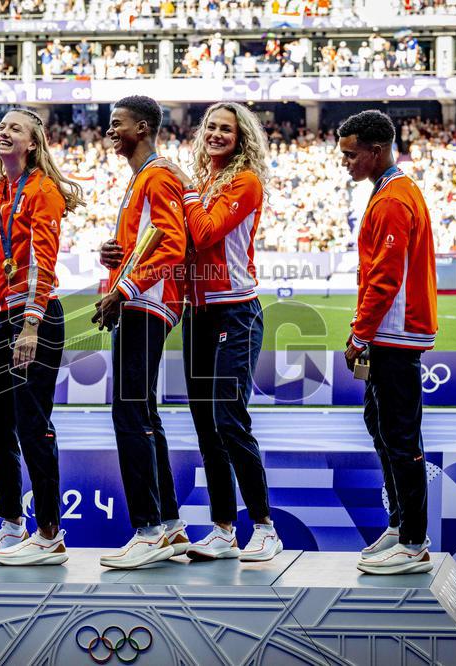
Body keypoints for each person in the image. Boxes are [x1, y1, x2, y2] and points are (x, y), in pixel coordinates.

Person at [154, 103, 282, 563]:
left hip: (236, 312)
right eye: (210, 126)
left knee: (229, 419)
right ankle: (223, 529)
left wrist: (186, 193)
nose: (216, 134)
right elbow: (179, 241)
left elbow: (206, 232)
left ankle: (265, 527)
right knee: (206, 426)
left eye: (226, 128)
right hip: (198, 313)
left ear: (241, 137)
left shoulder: (244, 181)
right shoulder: (204, 181)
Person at [0, 108, 83, 566]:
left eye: (14, 128)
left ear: (33, 143)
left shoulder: (42, 190)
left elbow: (43, 262)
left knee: (32, 424)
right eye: (1, 126)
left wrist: (31, 324)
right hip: (1, 315)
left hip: (32, 319)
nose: (3, 132)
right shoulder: (0, 190)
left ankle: (50, 533)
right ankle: (11, 524)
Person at [92, 95, 191, 569]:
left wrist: (124, 289)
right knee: (142, 411)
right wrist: (114, 257)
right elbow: (146, 245)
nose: (110, 130)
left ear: (144, 127)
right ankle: (169, 526)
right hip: (139, 300)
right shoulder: (141, 177)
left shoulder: (157, 175)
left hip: (147, 302)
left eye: (118, 123)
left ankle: (148, 531)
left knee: (129, 411)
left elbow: (172, 245)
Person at [338, 110, 438, 575]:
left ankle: (414, 541)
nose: (345, 162)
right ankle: (400, 526)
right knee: (382, 428)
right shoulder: (390, 191)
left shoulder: (394, 198)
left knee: (399, 436)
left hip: (395, 333)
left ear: (376, 151)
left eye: (350, 154)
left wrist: (361, 333)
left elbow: (385, 276)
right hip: (391, 331)